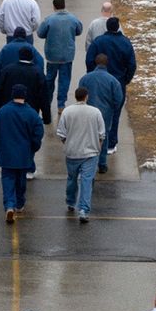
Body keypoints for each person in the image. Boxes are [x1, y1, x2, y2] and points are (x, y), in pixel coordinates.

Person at [0, 85, 45, 225]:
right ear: (24, 96)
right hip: (24, 154)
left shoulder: (3, 112)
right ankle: (19, 204)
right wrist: (34, 147)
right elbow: (38, 132)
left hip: (6, 153)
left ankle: (9, 205)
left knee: (7, 179)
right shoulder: (32, 114)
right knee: (21, 180)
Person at [84, 17, 136, 149]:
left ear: (107, 27)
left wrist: (92, 74)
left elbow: (89, 59)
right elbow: (131, 64)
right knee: (115, 112)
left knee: (96, 110)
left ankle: (97, 139)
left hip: (98, 82)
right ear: (118, 27)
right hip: (118, 81)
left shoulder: (98, 42)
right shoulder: (125, 43)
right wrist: (126, 79)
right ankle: (111, 143)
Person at [56, 86, 105, 222]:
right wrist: (98, 147)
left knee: (72, 179)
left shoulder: (67, 112)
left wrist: (67, 143)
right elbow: (102, 133)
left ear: (75, 97)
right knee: (87, 181)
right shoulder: (95, 112)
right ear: (86, 97)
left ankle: (71, 201)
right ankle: (84, 209)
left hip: (72, 152)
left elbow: (61, 133)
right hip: (90, 153)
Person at [78, 53, 125, 173]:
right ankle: (102, 163)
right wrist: (113, 109)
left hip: (87, 112)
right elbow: (118, 99)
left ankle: (87, 160)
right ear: (107, 64)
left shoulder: (85, 78)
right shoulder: (113, 81)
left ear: (95, 63)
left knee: (87, 136)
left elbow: (80, 95)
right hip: (105, 113)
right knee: (103, 137)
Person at [37, 0, 84, 114]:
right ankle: (61, 104)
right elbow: (79, 31)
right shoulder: (73, 19)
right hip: (67, 56)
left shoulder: (49, 19)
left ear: (54, 6)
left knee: (49, 79)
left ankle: (47, 102)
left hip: (52, 56)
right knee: (64, 80)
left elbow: (40, 34)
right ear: (64, 5)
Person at [0, 45, 52, 126]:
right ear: (31, 57)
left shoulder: (7, 70)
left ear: (19, 56)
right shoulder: (38, 73)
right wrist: (46, 117)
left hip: (9, 111)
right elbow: (44, 96)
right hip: (31, 112)